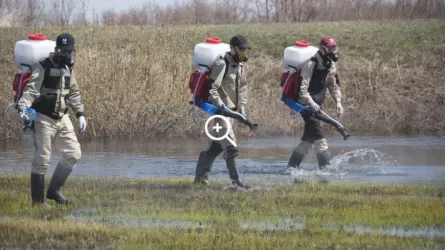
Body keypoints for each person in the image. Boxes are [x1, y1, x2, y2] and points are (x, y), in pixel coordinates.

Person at [17, 33, 86, 207]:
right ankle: (38, 201)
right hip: (43, 119)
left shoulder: (69, 69)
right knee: (43, 159)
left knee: (73, 153)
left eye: (69, 52)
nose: (66, 55)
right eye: (63, 51)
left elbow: (74, 94)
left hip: (63, 118)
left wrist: (80, 114)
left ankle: (54, 190)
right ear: (56, 50)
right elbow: (31, 91)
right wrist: (23, 108)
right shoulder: (42, 67)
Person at [193, 34, 251, 189]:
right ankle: (237, 183)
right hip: (222, 112)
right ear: (232, 48)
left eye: (244, 50)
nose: (243, 53)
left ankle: (200, 181)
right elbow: (212, 87)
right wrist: (219, 103)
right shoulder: (222, 63)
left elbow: (243, 87)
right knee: (231, 148)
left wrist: (243, 107)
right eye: (240, 50)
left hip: (233, 112)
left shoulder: (240, 65)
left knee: (216, 147)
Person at [287, 36, 344, 170]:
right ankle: (325, 171)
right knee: (320, 141)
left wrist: (338, 102)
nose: (332, 51)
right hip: (306, 105)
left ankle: (291, 167)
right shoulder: (310, 64)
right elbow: (302, 89)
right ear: (322, 48)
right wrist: (311, 103)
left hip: (317, 104)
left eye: (333, 48)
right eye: (329, 48)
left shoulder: (330, 64)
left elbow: (332, 85)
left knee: (307, 140)